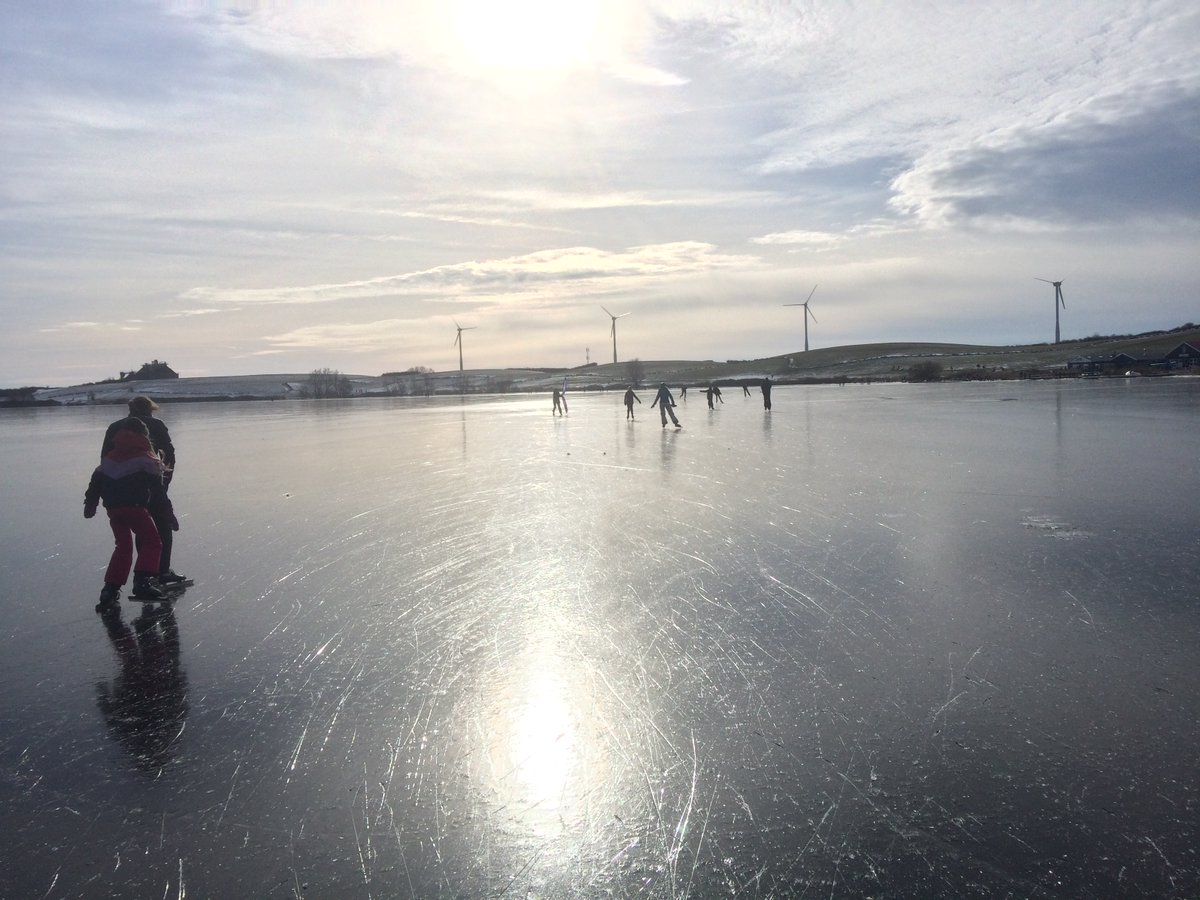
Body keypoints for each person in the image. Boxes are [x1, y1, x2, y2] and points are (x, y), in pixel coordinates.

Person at [86, 417, 172, 605]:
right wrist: (168, 514)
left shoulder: (109, 458)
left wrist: (90, 504)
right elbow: (158, 492)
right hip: (135, 508)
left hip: (113, 510)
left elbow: (95, 481)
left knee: (123, 546)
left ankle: (110, 589)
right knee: (152, 542)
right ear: (144, 435)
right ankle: (142, 582)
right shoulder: (146, 459)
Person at [102, 396, 186, 586]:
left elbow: (105, 459)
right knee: (162, 526)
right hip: (149, 483)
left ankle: (143, 576)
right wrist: (163, 484)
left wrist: (108, 488)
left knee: (140, 531)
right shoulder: (156, 424)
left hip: (118, 490)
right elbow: (169, 455)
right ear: (149, 409)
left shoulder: (114, 427)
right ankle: (160, 572)